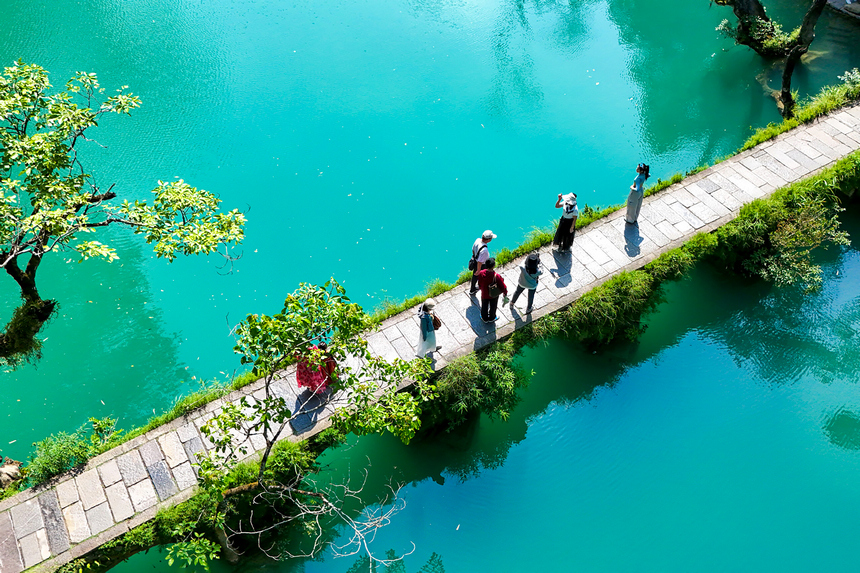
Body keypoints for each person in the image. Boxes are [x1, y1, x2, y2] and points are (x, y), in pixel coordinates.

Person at [476, 258, 507, 323]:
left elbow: (479, 283)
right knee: (493, 306)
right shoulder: (496, 276)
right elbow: (502, 286)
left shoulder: (481, 273)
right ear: (493, 266)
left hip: (484, 294)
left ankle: (484, 318)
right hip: (493, 295)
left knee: (484, 306)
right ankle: (492, 317)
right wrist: (505, 293)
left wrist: (481, 288)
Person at [469, 230, 495, 295]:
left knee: (474, 276)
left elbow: (473, 250)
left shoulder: (477, 240)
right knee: (483, 276)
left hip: (475, 260)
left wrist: (475, 257)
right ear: (488, 239)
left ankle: (472, 289)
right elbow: (480, 262)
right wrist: (478, 270)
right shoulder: (484, 250)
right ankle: (484, 288)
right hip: (482, 265)